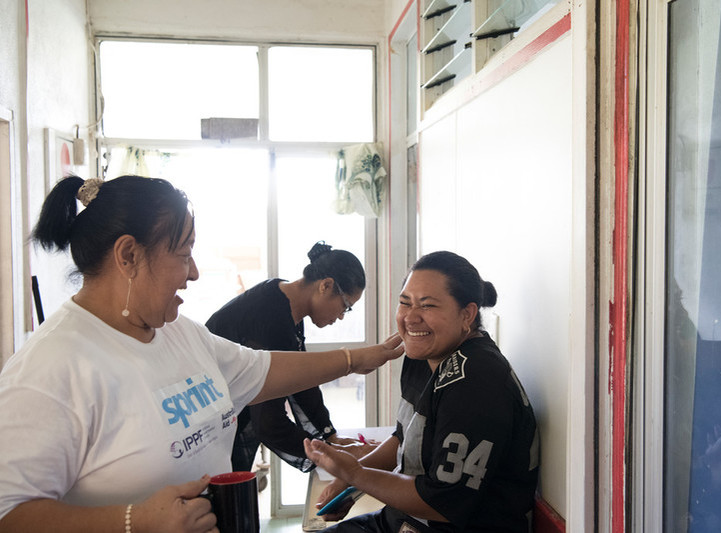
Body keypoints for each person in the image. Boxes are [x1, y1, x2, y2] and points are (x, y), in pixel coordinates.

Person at [0, 175, 403, 533]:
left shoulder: (178, 332)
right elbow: (8, 514)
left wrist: (355, 360)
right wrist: (134, 521)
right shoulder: (50, 368)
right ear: (128, 256)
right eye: (183, 253)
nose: (193, 273)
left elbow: (262, 370)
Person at [304, 251, 540, 532]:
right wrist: (349, 484)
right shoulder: (421, 354)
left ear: (467, 314)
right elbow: (405, 437)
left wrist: (355, 473)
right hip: (402, 520)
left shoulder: (477, 382)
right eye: (405, 303)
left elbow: (441, 502)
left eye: (427, 306)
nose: (410, 318)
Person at [205, 241, 376, 474]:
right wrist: (326, 454)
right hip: (208, 425)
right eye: (345, 306)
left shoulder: (285, 303)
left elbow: (301, 380)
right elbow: (268, 422)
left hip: (228, 416)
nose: (341, 317)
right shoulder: (269, 314)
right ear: (326, 286)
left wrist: (330, 437)